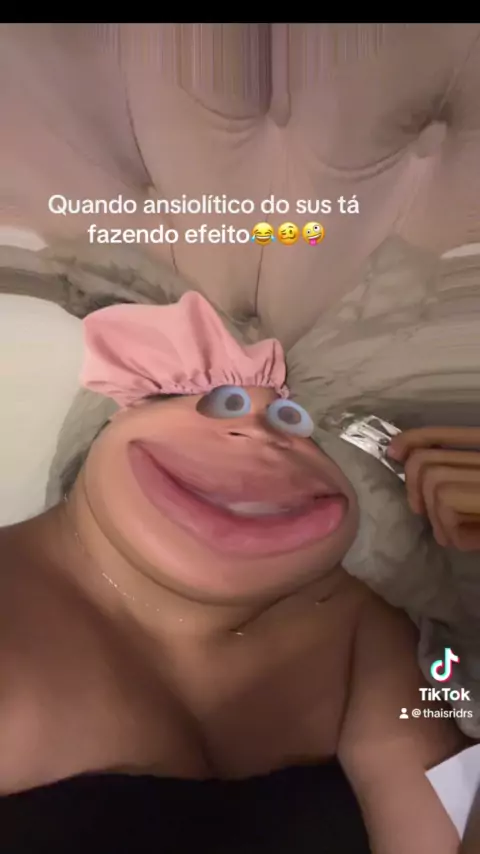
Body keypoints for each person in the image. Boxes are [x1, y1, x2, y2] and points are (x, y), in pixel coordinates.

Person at [0, 291, 473, 854]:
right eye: (218, 399)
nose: (258, 429)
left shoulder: (365, 632)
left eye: (294, 420)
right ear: (117, 413)